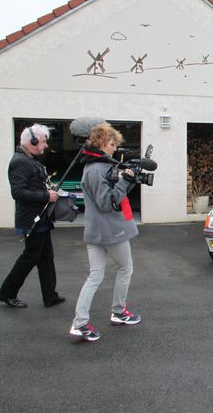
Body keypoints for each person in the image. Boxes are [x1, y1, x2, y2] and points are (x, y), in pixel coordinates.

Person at [69, 122, 141, 342]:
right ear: (101, 143)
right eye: (111, 144)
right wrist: (125, 182)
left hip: (96, 232)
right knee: (125, 269)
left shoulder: (94, 167)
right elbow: (107, 203)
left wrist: (125, 181)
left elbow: (109, 196)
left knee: (95, 276)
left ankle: (80, 323)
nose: (114, 148)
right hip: (110, 231)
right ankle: (118, 312)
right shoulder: (97, 170)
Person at [0, 124, 64, 308]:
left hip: (41, 218)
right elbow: (17, 192)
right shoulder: (20, 161)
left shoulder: (29, 160)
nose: (44, 145)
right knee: (30, 257)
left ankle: (50, 296)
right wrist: (46, 195)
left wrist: (47, 189)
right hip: (31, 219)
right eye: (42, 142)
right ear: (32, 142)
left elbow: (32, 186)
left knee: (45, 258)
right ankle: (7, 293)